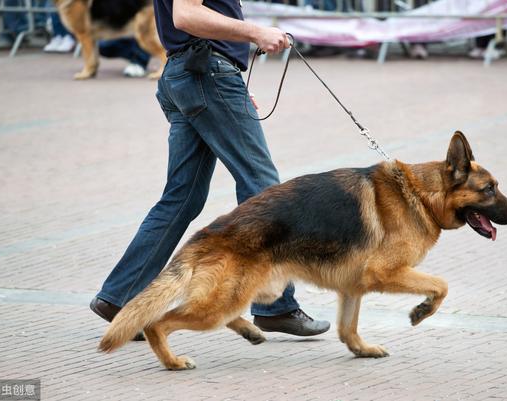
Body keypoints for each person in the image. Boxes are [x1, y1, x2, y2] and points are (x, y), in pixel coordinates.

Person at [89, 0, 331, 338]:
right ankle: (275, 306)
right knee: (263, 188)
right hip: (205, 73)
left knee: (181, 199)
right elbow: (186, 15)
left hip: (191, 74)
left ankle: (119, 297)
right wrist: (256, 32)